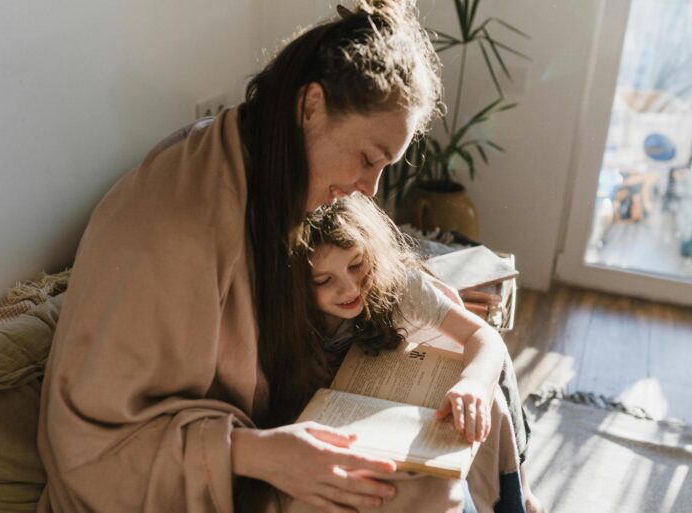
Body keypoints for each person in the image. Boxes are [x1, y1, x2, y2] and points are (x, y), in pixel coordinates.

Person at [36, 2, 486, 512]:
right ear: (311, 105)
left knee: (441, 450)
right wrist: (258, 454)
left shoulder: (266, 166)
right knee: (428, 493)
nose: (369, 188)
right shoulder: (175, 227)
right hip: (169, 476)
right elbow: (92, 453)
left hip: (254, 439)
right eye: (366, 159)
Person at [300, 194, 545, 513]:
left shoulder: (399, 285)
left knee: (492, 396)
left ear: (372, 252)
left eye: (356, 265)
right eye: (323, 280)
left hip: (410, 391)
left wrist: (473, 383)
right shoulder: (293, 317)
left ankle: (521, 491)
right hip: (350, 422)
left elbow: (484, 335)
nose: (348, 288)